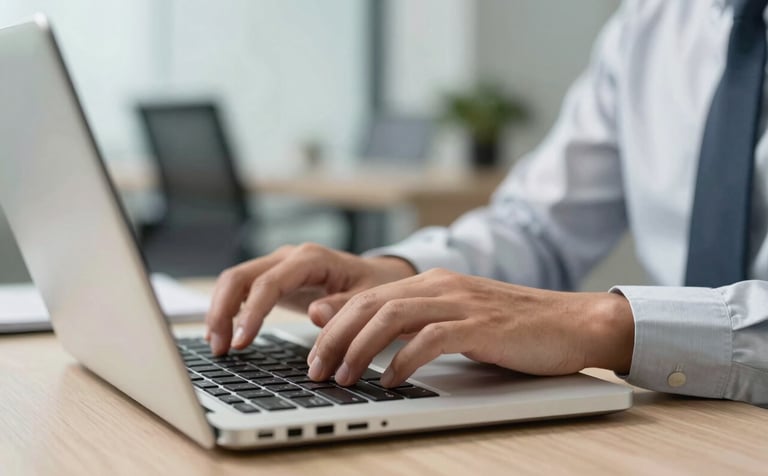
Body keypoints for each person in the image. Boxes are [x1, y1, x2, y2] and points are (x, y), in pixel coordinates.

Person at [205, 0, 768, 406]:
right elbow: (537, 225)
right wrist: (395, 275)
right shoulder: (651, 21)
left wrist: (609, 323)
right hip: (682, 427)